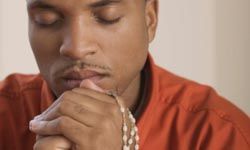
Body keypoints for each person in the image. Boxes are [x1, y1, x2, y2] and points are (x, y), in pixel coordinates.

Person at [0, 0, 249, 149]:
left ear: (150, 19)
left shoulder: (219, 135)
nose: (76, 47)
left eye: (107, 18)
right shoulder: (5, 115)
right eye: (47, 20)